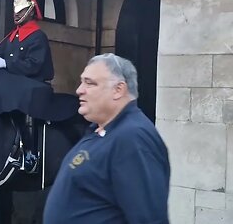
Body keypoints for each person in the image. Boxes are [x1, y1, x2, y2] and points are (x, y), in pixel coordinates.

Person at [43, 53, 170, 224]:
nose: (79, 90)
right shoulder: (100, 131)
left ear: (118, 90)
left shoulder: (133, 137)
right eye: (82, 82)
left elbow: (148, 218)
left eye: (90, 83)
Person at [0, 0, 54, 173]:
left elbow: (34, 65)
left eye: (21, 11)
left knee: (14, 93)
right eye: (15, 11)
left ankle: (30, 153)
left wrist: (7, 65)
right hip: (15, 83)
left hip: (34, 83)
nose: (16, 15)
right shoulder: (12, 36)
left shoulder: (37, 37)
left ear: (31, 10)